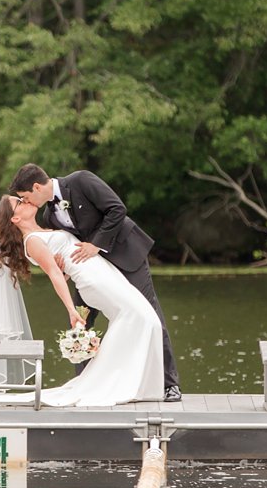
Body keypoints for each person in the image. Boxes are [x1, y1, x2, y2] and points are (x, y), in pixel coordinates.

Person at [11, 164, 182, 401]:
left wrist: (96, 244)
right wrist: (64, 264)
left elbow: (116, 209)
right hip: (92, 274)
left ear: (37, 186)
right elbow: (66, 245)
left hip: (126, 256)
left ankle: (169, 384)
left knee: (149, 314)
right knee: (82, 323)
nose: (27, 202)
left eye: (25, 197)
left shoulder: (81, 180)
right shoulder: (49, 215)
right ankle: (85, 384)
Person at [0, 195, 163, 406]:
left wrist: (66, 267)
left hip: (102, 271)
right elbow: (54, 275)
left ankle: (133, 382)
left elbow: (63, 266)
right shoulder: (32, 241)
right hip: (93, 279)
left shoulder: (43, 231)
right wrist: (72, 310)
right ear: (15, 219)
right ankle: (113, 382)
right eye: (19, 202)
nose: (25, 201)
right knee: (140, 317)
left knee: (145, 319)